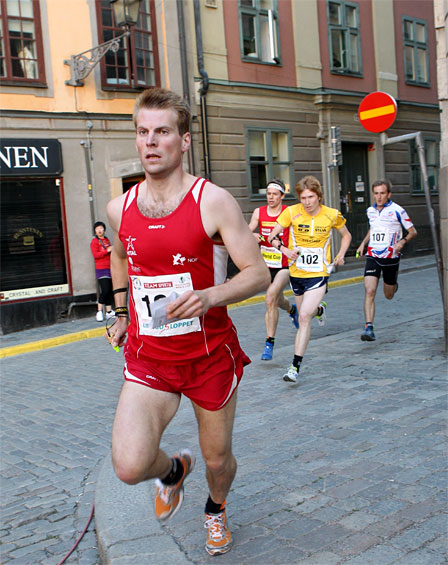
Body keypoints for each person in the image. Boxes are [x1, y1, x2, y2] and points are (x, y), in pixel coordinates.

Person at [105, 87, 269, 556]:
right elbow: (120, 256)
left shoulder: (212, 201)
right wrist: (121, 312)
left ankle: (215, 509)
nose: (151, 142)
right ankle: (173, 472)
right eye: (142, 133)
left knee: (218, 461)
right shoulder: (121, 207)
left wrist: (209, 296)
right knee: (129, 466)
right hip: (150, 355)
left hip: (208, 356)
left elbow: (257, 272)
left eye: (162, 132)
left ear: (184, 140)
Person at [268, 175, 351, 383]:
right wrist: (284, 250)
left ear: (319, 196)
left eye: (311, 197)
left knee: (304, 316)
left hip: (319, 272)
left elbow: (346, 235)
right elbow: (271, 236)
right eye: (303, 198)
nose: (307, 202)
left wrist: (341, 253)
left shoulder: (332, 215)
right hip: (297, 274)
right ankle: (320, 310)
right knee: (307, 314)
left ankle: (294, 367)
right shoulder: (291, 212)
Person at [356, 179, 417, 341]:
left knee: (388, 295)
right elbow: (373, 228)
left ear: (388, 194)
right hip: (373, 256)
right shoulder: (370, 211)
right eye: (376, 193)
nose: (379, 197)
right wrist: (363, 244)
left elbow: (413, 232)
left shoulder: (398, 210)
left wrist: (402, 242)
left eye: (382, 193)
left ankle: (393, 285)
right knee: (369, 291)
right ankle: (368, 327)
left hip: (391, 257)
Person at [248, 179, 299, 360]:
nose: (270, 197)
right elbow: (247, 231)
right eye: (268, 194)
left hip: (284, 264)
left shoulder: (289, 212)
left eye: (274, 194)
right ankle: (292, 310)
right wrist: (251, 235)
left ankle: (269, 342)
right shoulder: (259, 212)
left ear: (282, 196)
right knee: (276, 299)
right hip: (266, 264)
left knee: (270, 298)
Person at [90, 221, 114, 322]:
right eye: (97, 229)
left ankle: (108, 312)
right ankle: (99, 311)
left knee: (109, 290)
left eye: (101, 228)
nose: (99, 230)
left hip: (109, 268)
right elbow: (96, 255)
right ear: (95, 231)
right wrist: (107, 251)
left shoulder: (107, 240)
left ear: (104, 229)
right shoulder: (94, 242)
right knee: (105, 289)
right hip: (101, 269)